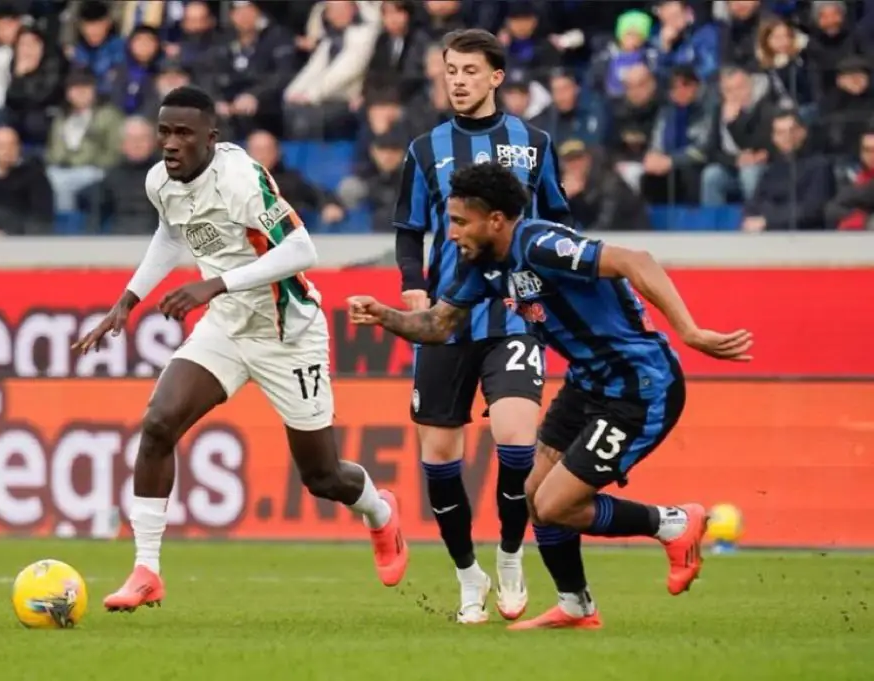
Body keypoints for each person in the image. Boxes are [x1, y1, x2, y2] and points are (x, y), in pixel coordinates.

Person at [351, 162, 753, 630]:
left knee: (556, 505)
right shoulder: (482, 265)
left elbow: (636, 260)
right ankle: (576, 605)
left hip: (639, 387)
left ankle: (673, 523)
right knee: (533, 494)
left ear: (495, 220)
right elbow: (439, 325)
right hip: (588, 383)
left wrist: (691, 331)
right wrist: (384, 315)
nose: (451, 233)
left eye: (460, 221)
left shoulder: (541, 244)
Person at [73, 86, 408, 612]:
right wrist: (127, 300)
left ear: (211, 138)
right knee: (158, 424)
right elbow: (170, 235)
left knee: (322, 476)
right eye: (164, 132)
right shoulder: (160, 180)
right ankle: (146, 570)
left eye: (183, 133)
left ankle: (379, 512)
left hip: (288, 333)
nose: (170, 143)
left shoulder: (242, 180)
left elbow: (302, 249)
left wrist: (215, 284)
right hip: (227, 328)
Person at [394, 28, 570, 624]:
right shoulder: (425, 149)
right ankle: (469, 576)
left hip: (514, 316)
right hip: (445, 319)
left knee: (518, 441)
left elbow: (560, 221)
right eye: (451, 70)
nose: (459, 80)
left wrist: (551, 285)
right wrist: (412, 285)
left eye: (470, 70)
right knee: (440, 459)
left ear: (496, 77)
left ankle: (511, 553)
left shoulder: (535, 144)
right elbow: (408, 231)